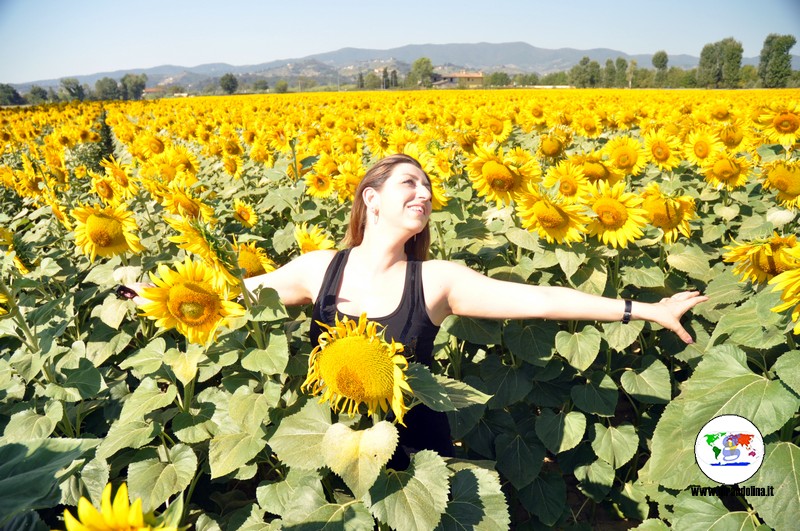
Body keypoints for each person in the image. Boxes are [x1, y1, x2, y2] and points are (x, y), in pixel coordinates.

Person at [238, 153, 708, 468]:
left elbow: (540, 302)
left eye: (427, 186)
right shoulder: (319, 268)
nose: (424, 193)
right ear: (371, 197)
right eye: (409, 183)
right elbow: (236, 298)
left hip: (414, 449)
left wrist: (643, 308)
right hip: (333, 438)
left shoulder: (436, 280)